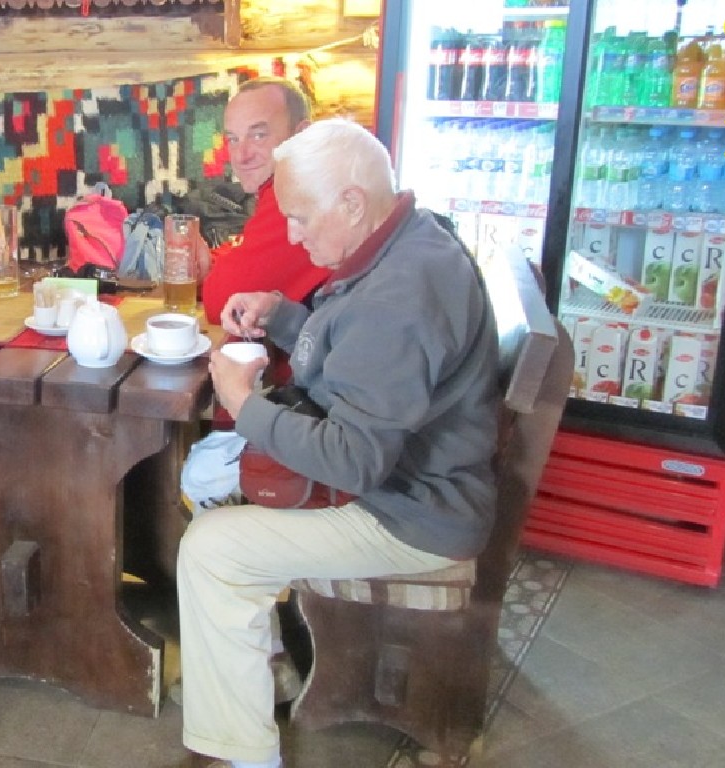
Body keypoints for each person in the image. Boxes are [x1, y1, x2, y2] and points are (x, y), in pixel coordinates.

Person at [177, 119, 500, 768]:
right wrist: (282, 315)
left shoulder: (401, 292)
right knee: (207, 481)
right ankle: (261, 666)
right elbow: (358, 354)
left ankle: (244, 755)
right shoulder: (407, 241)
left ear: (352, 202)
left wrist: (244, 405)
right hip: (419, 484)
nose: (294, 235)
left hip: (411, 513)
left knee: (211, 548)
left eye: (300, 218)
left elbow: (355, 458)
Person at [199, 77, 332, 325]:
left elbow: (221, 303)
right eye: (233, 139)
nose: (241, 156)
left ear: (301, 135)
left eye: (258, 135)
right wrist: (213, 263)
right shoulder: (284, 185)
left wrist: (211, 274)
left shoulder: (300, 190)